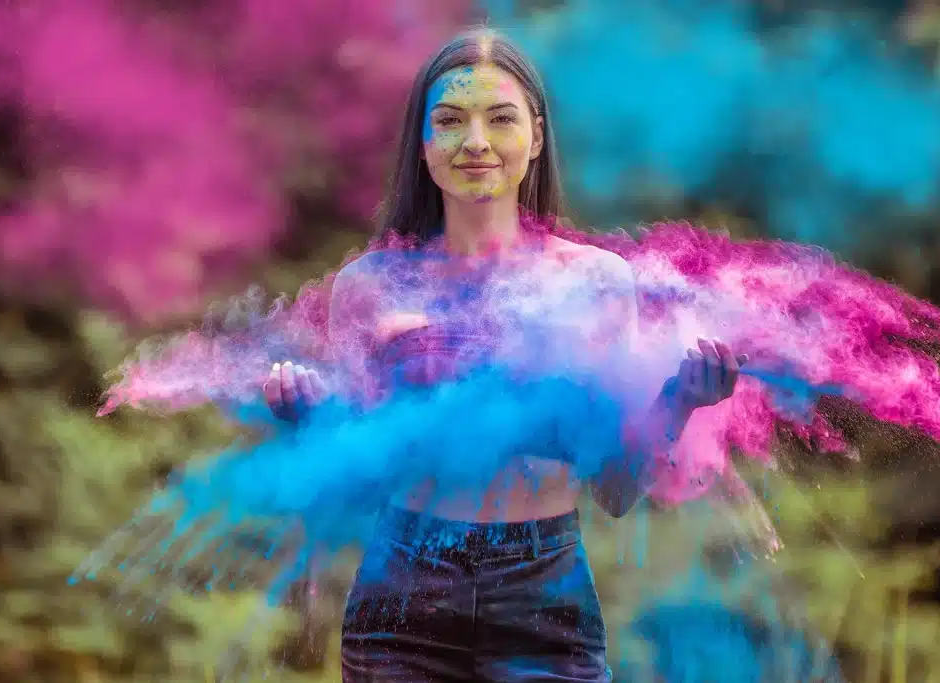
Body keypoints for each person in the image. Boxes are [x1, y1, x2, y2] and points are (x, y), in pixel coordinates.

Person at [263, 29, 747, 683]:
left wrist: (681, 398)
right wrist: (311, 426)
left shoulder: (597, 283)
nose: (476, 142)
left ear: (537, 137)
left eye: (500, 119)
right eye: (450, 121)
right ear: (424, 145)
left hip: (544, 601)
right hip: (402, 604)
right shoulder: (371, 288)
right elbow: (356, 483)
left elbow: (615, 487)